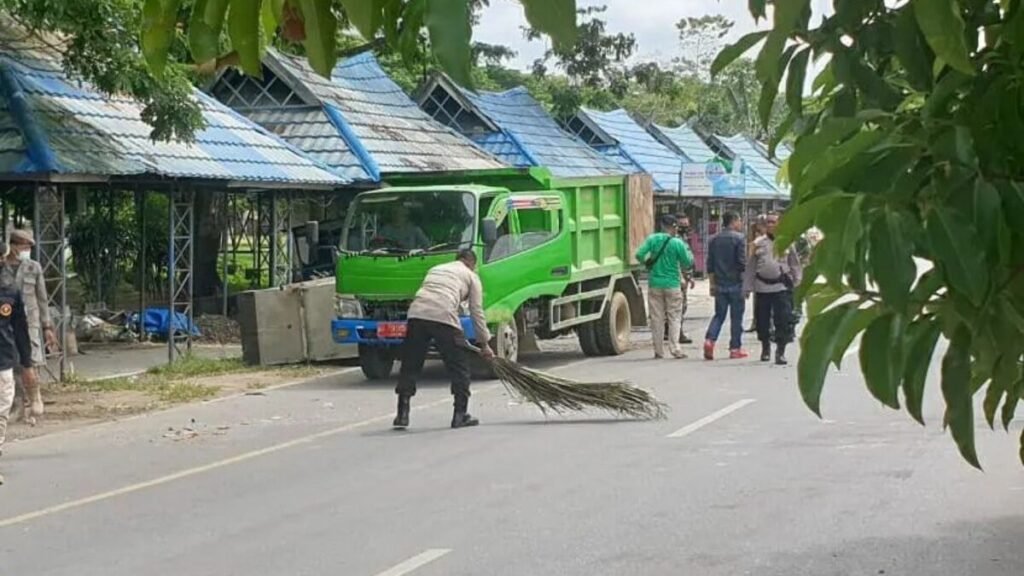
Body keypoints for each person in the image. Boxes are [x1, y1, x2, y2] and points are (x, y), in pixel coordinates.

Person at [394, 249, 493, 430]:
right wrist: (484, 343)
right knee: (459, 366)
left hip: (416, 314)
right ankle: (460, 415)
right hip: (444, 316)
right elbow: (476, 311)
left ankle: (402, 414)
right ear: (471, 263)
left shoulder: (436, 269)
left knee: (411, 363)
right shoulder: (471, 276)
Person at [2, 230, 54, 424]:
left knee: (30, 363)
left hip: (30, 323)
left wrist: (47, 326)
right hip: (7, 324)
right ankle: (17, 407)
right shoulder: (3, 266)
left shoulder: (34, 267)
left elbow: (42, 299)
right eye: (24, 247)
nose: (27, 250)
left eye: (29, 247)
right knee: (11, 366)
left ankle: (35, 398)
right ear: (14, 246)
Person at [744, 213, 802, 365]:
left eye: (773, 222)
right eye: (768, 222)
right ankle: (765, 348)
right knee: (762, 321)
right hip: (762, 288)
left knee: (783, 320)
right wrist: (747, 287)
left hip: (781, 287)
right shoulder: (758, 243)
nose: (771, 225)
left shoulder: (787, 243)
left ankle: (780, 352)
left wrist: (797, 282)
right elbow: (750, 266)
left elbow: (795, 264)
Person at [636, 214, 694, 360]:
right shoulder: (677, 243)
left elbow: (639, 254)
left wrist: (648, 262)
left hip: (655, 284)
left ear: (661, 225)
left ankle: (658, 350)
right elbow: (687, 262)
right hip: (673, 285)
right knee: (674, 317)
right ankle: (675, 349)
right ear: (673, 227)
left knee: (657, 318)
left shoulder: (652, 239)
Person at [0, 284, 36, 484]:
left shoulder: (10, 292)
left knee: (1, 411)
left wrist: (27, 364)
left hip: (3, 362)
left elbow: (20, 330)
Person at [703, 212, 748, 360]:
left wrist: (712, 284)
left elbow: (710, 265)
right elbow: (741, 263)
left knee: (719, 315)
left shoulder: (713, 239)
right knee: (736, 318)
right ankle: (735, 348)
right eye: (739, 220)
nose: (740, 223)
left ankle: (710, 340)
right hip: (736, 283)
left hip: (720, 283)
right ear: (734, 221)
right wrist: (746, 283)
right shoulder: (739, 239)